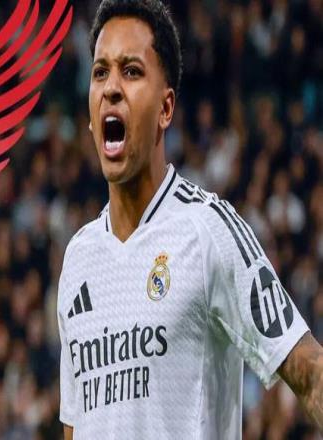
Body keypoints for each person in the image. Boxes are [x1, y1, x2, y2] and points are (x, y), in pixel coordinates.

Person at [57, 0, 323, 438]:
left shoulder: (209, 230)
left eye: (131, 71)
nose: (111, 88)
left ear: (166, 109)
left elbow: (309, 372)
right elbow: (75, 427)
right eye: (100, 72)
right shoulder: (78, 260)